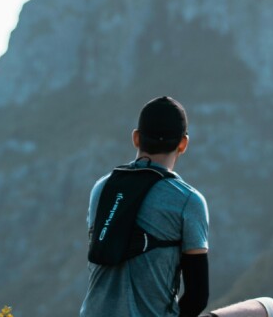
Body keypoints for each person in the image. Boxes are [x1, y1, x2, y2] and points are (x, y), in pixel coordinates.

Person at [80, 96, 211, 317]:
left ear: (136, 138)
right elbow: (197, 297)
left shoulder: (102, 188)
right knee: (267, 308)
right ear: (183, 143)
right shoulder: (188, 200)